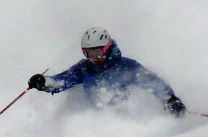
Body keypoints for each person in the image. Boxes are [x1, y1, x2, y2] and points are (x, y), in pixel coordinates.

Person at [28, 27, 187, 116]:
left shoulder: (127, 66)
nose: (93, 58)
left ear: (107, 47)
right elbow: (62, 81)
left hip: (127, 122)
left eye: (97, 52)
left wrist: (171, 100)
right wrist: (44, 82)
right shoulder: (85, 68)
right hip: (101, 122)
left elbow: (153, 83)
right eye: (88, 53)